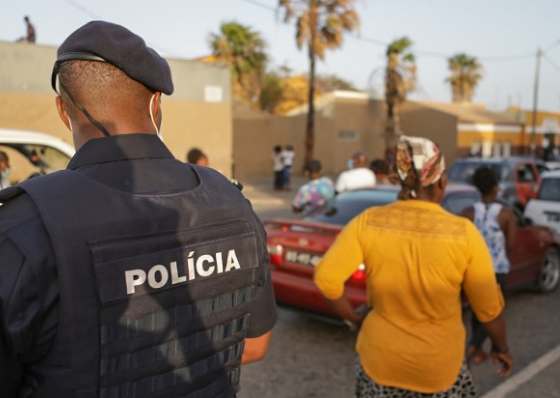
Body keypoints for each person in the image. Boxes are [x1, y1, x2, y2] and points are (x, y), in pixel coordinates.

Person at [0, 21, 276, 398]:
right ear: (156, 103)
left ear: (63, 111)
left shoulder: (24, 226)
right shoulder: (231, 201)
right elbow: (256, 346)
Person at [314, 136, 513, 397]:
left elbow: (326, 278)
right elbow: (488, 310)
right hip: (440, 369)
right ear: (441, 181)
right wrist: (501, 349)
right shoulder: (463, 233)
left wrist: (354, 318)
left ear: (398, 180)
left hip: (379, 363)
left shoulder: (369, 221)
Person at [461, 166, 516, 365]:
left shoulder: (468, 212)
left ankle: (477, 351)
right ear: (495, 187)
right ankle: (470, 352)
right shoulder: (506, 214)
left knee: (477, 311)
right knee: (492, 312)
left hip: (471, 271)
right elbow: (510, 245)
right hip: (496, 269)